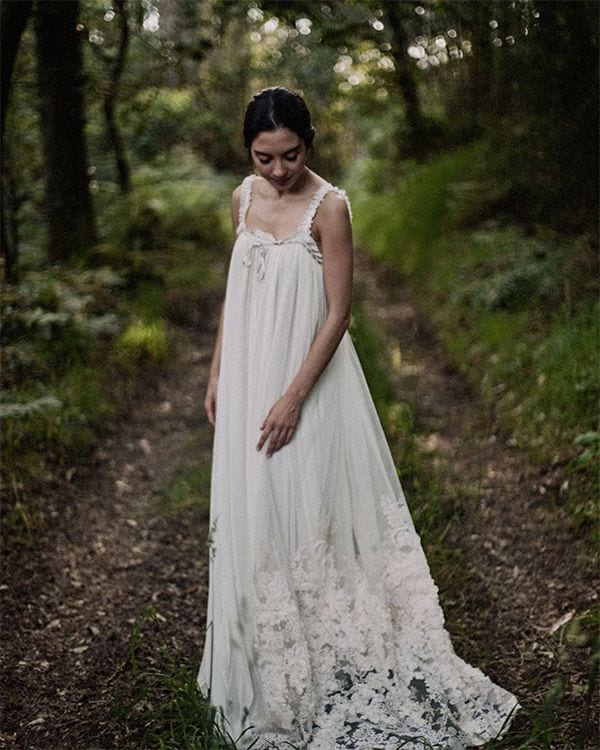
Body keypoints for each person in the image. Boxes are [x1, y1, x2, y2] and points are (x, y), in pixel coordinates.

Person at [197, 85, 521, 749]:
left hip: (307, 381)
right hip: (248, 376)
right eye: (265, 158)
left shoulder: (331, 206)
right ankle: (268, 654)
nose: (278, 171)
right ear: (249, 153)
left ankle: (327, 656)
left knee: (303, 509)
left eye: (289, 155)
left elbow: (339, 314)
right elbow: (238, 295)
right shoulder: (240, 198)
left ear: (308, 145)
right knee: (257, 515)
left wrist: (291, 396)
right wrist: (218, 373)